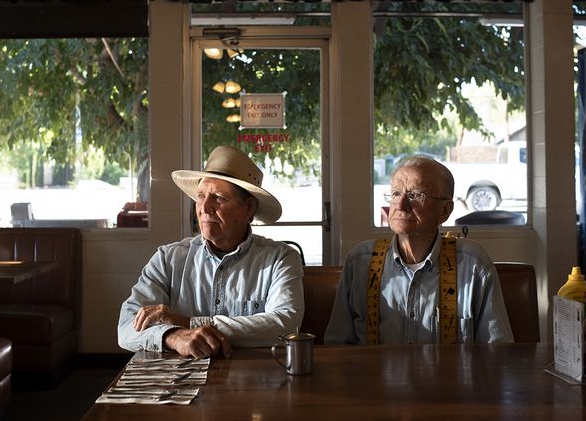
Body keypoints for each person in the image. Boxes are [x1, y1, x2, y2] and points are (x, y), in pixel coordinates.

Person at [117, 145, 304, 358]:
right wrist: (173, 336)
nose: (204, 207)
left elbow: (286, 324)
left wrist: (187, 323)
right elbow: (126, 326)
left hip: (251, 374)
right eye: (200, 196)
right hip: (181, 377)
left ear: (249, 208)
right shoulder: (168, 259)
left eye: (219, 198)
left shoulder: (280, 258)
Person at [325, 155, 513, 345]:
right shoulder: (360, 262)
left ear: (445, 210)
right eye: (396, 194)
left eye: (415, 195)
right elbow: (337, 346)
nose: (400, 205)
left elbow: (496, 352)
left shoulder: (473, 265)